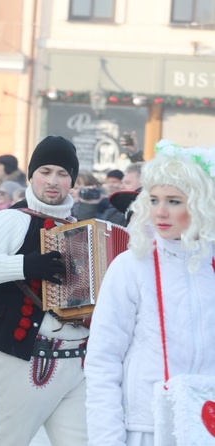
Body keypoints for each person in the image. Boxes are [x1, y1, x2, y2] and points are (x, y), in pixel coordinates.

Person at [0, 135, 89, 446]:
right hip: (23, 360)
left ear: (72, 181)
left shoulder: (83, 229)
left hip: (77, 363)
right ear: (31, 175)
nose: (53, 181)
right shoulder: (12, 219)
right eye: (45, 171)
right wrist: (25, 266)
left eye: (63, 174)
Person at [85, 142, 215, 445]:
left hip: (206, 425)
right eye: (154, 199)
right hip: (146, 428)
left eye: (174, 201)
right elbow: (103, 360)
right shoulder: (131, 266)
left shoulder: (210, 266)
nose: (160, 211)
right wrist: (107, 438)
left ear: (201, 204)